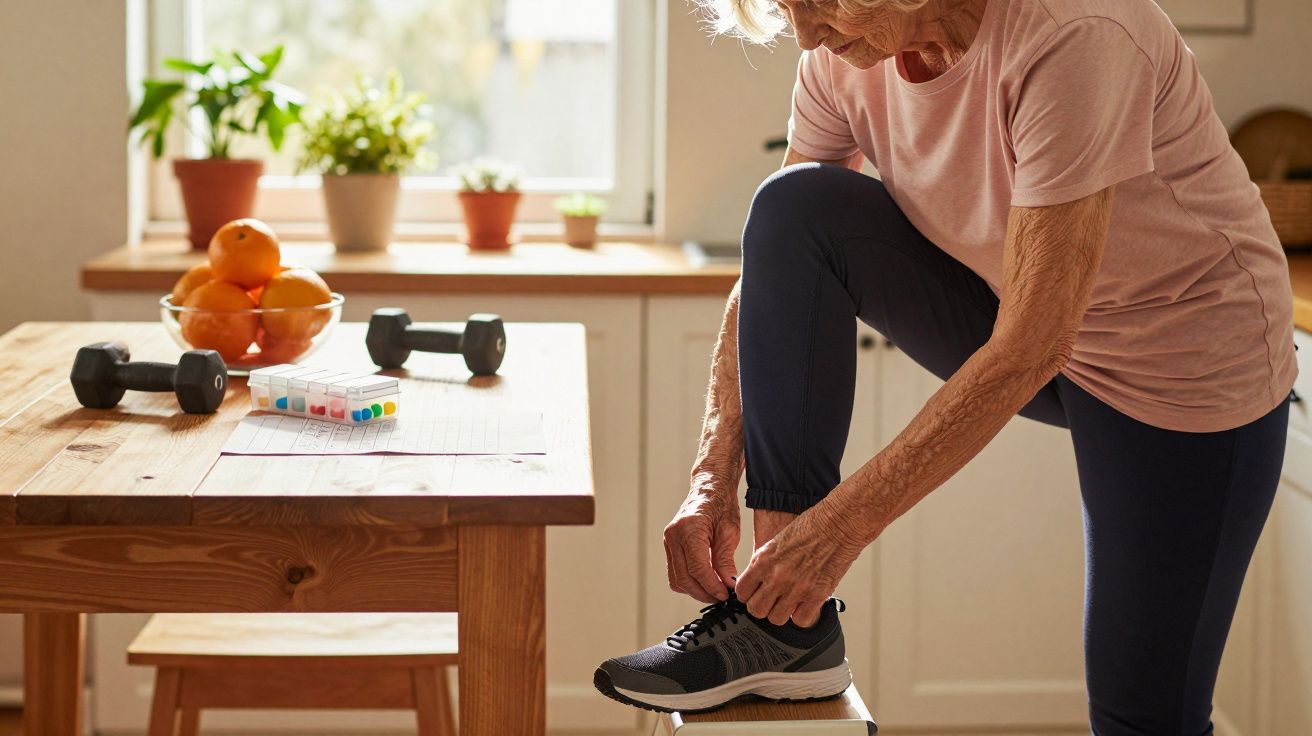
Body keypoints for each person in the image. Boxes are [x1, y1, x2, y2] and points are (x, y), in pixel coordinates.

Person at [595, 0, 1298, 731]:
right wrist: (712, 475)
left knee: (1143, 715)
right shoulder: (842, 58)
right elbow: (772, 265)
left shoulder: (1074, 32)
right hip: (1030, 322)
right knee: (792, 209)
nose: (804, 33)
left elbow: (1034, 341)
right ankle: (782, 630)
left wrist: (837, 533)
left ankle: (791, 591)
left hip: (1185, 361)